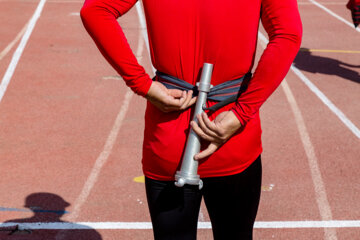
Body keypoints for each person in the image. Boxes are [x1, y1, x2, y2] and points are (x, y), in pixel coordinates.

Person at [80, 0, 302, 239]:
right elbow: (288, 33)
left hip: (170, 133)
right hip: (231, 133)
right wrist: (242, 112)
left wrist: (142, 84)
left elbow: (94, 10)